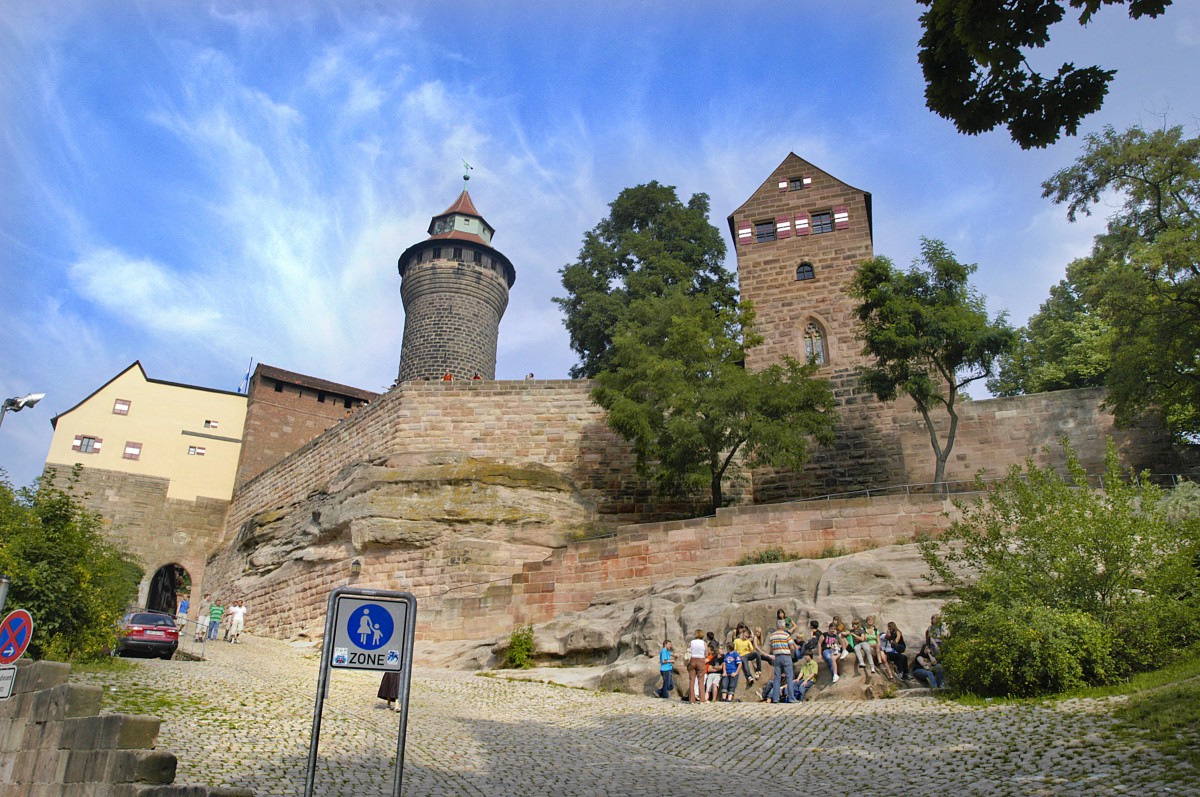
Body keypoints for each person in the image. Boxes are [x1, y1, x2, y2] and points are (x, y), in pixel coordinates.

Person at [767, 620, 795, 703]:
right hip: (786, 656)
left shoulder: (772, 636)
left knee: (776, 678)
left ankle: (775, 698)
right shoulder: (786, 635)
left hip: (777, 657)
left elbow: (771, 648)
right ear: (783, 626)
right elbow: (792, 647)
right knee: (789, 677)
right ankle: (791, 698)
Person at [686, 630, 707, 703]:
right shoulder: (704, 643)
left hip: (692, 660)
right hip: (701, 660)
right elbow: (706, 653)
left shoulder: (691, 642)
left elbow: (688, 650)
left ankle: (692, 700)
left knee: (692, 681)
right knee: (701, 681)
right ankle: (702, 699)